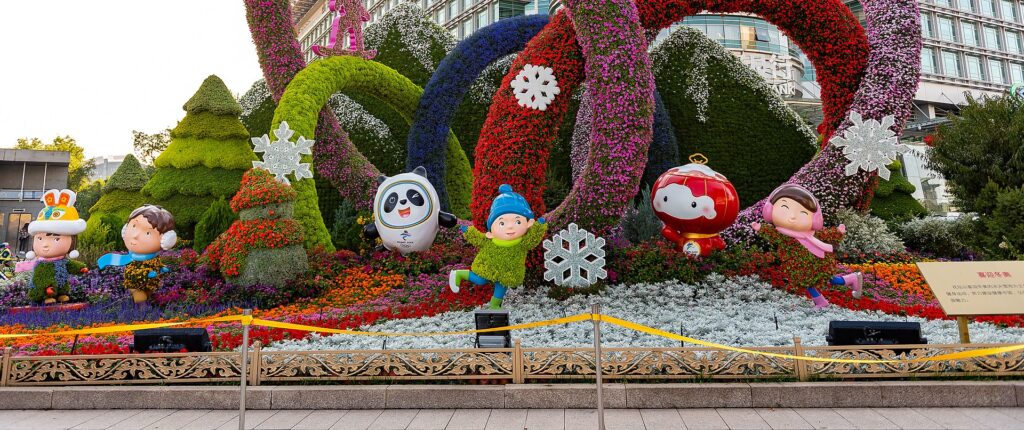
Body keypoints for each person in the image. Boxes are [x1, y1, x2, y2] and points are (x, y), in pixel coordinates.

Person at [752, 184, 863, 310]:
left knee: (812, 282)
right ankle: (851, 278)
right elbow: (772, 234)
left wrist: (837, 232)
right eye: (784, 207)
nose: (792, 217)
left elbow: (825, 235)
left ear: (815, 219)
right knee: (825, 279)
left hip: (817, 261)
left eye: (803, 213)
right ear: (770, 210)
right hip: (801, 264)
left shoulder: (812, 234)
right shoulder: (783, 235)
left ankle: (823, 301)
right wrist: (761, 228)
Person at [449, 184, 548, 309]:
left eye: (517, 221)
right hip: (489, 266)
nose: (510, 227)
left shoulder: (522, 243)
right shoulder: (490, 240)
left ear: (529, 223)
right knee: (480, 280)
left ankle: (494, 306)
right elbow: (479, 239)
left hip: (507, 272)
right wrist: (468, 231)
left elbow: (532, 240)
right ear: (490, 231)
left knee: (501, 287)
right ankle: (459, 274)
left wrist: (539, 227)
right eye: (502, 223)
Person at [14, 189, 89, 305]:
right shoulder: (43, 264)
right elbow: (40, 278)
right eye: (40, 238)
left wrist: (81, 268)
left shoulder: (62, 260)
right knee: (45, 280)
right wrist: (47, 288)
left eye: (56, 238)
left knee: (62, 282)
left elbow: (70, 265)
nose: (45, 245)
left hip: (60, 284)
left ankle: (61, 294)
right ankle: (46, 295)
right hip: (44, 287)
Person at [97, 205, 177, 303]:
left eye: (148, 233)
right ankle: (141, 312)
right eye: (134, 226)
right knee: (140, 297)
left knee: (149, 294)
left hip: (150, 283)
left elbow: (156, 264)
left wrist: (161, 268)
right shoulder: (133, 262)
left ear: (166, 240)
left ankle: (146, 312)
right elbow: (132, 274)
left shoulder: (154, 258)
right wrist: (147, 274)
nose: (135, 236)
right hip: (135, 283)